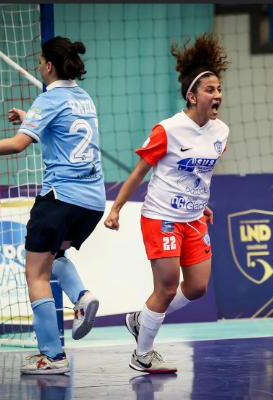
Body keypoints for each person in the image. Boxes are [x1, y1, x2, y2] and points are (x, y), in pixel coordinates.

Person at [0, 36, 105, 374]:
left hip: (60, 198)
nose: (38, 66)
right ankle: (82, 297)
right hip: (93, 200)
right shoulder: (83, 98)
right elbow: (65, 130)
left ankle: (53, 357)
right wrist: (30, 117)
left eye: (40, 61)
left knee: (35, 274)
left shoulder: (50, 98)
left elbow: (18, 145)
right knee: (54, 258)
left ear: (49, 65)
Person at [104, 33, 231, 374]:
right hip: (162, 216)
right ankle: (142, 354)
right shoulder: (168, 130)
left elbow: (199, 174)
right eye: (210, 90)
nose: (217, 95)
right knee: (167, 286)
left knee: (198, 287)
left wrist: (200, 201)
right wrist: (115, 209)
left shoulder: (221, 132)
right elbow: (139, 173)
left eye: (219, 89)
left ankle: (141, 319)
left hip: (194, 218)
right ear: (192, 95)